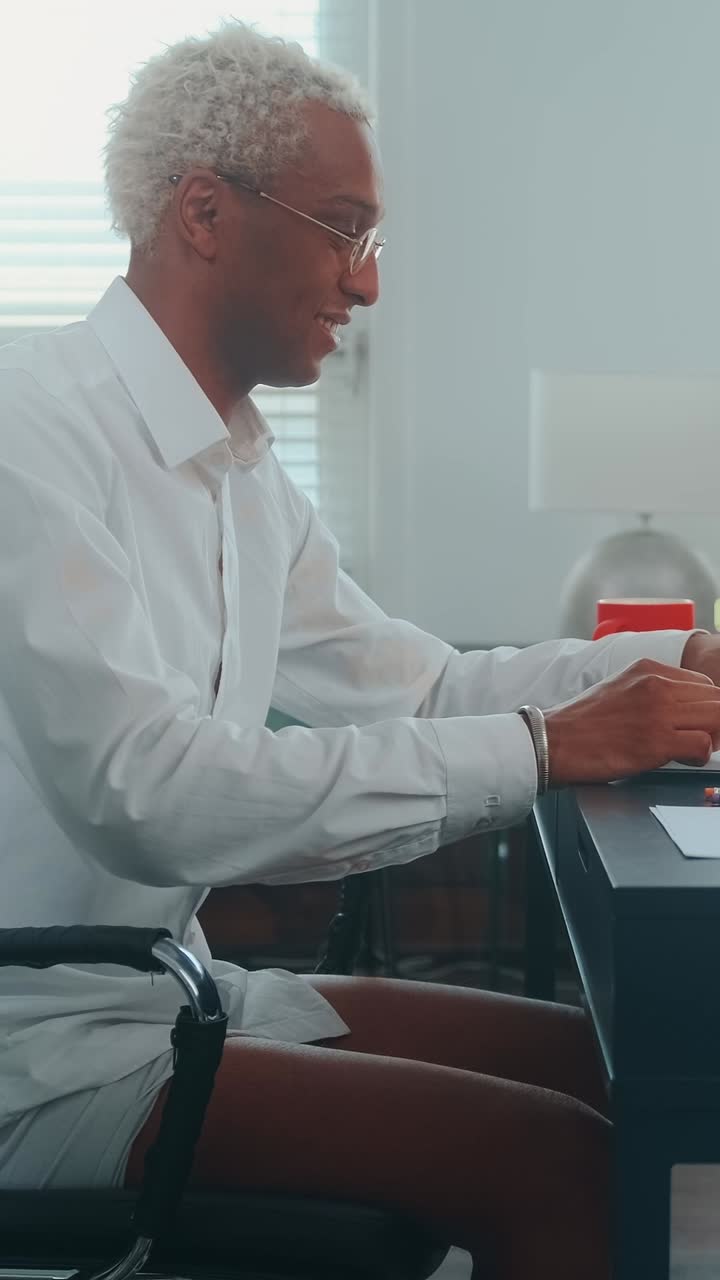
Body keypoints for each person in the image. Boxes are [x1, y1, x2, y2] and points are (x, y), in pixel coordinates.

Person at [1, 21, 720, 1280]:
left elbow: (425, 681)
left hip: (160, 994)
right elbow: (147, 794)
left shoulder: (237, 469)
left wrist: (668, 665)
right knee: (554, 1156)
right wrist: (547, 745)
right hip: (39, 1043)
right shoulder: (34, 432)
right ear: (207, 213)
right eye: (347, 227)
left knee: (608, 1062)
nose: (369, 283)